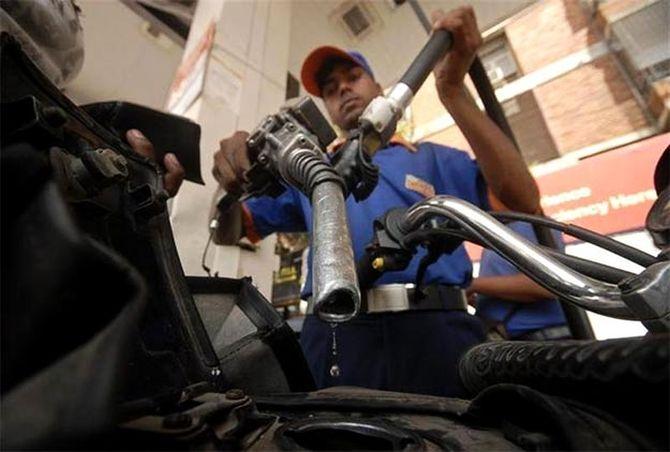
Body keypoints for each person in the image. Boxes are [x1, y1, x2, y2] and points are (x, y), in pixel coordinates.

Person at [211, 7, 541, 397]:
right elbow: (230, 232)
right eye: (331, 90)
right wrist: (229, 187)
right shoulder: (308, 170)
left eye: (353, 78)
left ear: (380, 88)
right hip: (337, 335)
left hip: (437, 329)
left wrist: (452, 92)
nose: (343, 90)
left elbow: (524, 198)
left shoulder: (432, 157)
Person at [469, 222, 571, 341]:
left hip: (543, 341)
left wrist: (473, 285)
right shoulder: (499, 230)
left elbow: (546, 285)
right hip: (517, 341)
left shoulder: (526, 225)